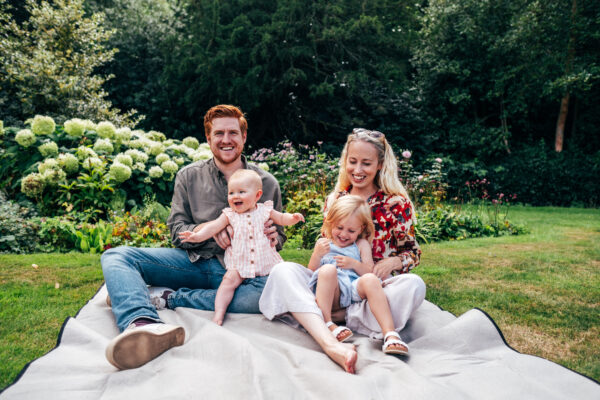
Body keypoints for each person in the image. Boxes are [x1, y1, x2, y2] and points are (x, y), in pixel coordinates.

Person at [101, 104, 286, 370]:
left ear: (244, 137)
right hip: (196, 263)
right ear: (208, 138)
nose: (226, 140)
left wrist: (272, 236)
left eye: (233, 132)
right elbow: (177, 231)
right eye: (218, 133)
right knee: (117, 256)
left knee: (272, 298)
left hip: (246, 275)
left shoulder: (266, 183)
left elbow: (280, 237)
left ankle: (164, 296)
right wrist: (213, 230)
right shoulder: (189, 176)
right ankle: (142, 323)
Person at [259, 128, 426, 374]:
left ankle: (325, 317)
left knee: (414, 285)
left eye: (366, 163)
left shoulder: (395, 203)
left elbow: (412, 252)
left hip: (369, 292)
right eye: (353, 161)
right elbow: (326, 249)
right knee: (283, 271)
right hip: (331, 284)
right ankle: (331, 315)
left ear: (380, 164)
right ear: (345, 161)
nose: (358, 170)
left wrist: (393, 263)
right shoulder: (335, 198)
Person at [178, 169, 304, 325]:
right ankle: (219, 313)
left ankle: (292, 307)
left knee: (284, 281)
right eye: (231, 193)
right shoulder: (229, 215)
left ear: (257, 195)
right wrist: (197, 236)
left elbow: (282, 219)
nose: (235, 196)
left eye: (241, 192)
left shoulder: (265, 210)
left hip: (266, 261)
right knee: (227, 282)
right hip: (239, 262)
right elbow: (213, 228)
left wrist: (293, 218)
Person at [307, 195, 409, 355]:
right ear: (330, 223)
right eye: (339, 228)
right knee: (327, 270)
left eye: (351, 230)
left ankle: (390, 334)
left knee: (369, 279)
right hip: (331, 292)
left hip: (353, 290)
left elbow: (370, 272)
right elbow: (311, 273)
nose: (344, 234)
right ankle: (327, 323)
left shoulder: (361, 245)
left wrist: (354, 264)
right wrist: (317, 255)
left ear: (361, 229)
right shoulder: (324, 244)